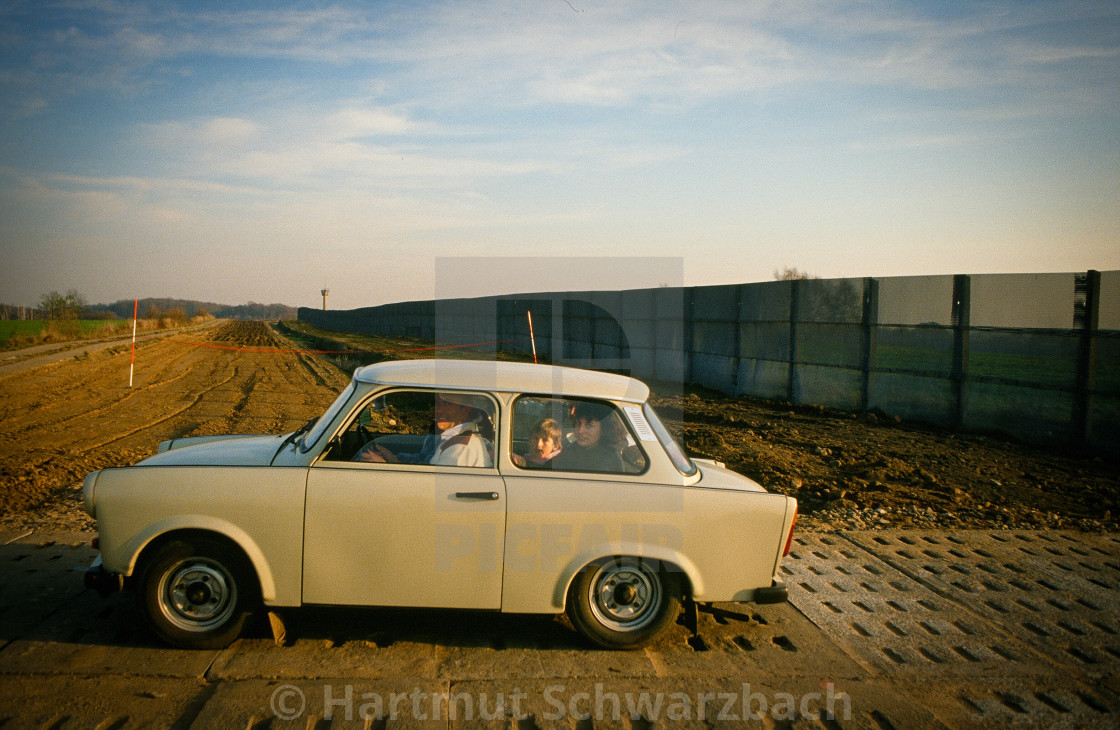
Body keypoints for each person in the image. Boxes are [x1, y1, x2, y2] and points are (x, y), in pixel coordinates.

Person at [355, 392, 493, 467]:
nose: (439, 410)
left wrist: (384, 466)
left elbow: (430, 491)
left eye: (447, 404)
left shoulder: (461, 447)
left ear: (465, 410)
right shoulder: (452, 438)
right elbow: (427, 465)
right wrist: (394, 460)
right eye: (438, 403)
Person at [550, 401, 625, 473]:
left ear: (604, 429)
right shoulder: (570, 449)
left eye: (589, 426)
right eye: (578, 423)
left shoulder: (609, 461)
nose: (580, 431)